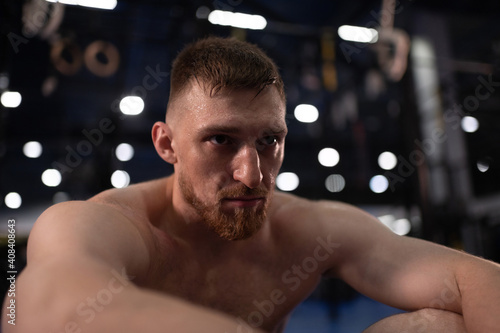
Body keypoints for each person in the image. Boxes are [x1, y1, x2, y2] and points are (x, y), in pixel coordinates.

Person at [3, 36, 500, 333]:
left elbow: (474, 280)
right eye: (221, 140)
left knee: (439, 327)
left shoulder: (308, 229)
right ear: (166, 145)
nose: (253, 173)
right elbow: (44, 305)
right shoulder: (108, 225)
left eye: (269, 140)